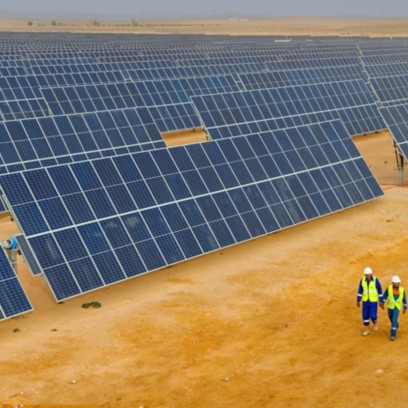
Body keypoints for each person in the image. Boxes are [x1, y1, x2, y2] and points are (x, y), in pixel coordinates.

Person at [356, 266, 384, 336]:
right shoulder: (362, 280)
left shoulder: (375, 280)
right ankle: (366, 329)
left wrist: (381, 300)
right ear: (365, 275)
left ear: (371, 274)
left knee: (373, 315)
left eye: (369, 275)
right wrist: (358, 300)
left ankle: (375, 322)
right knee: (365, 315)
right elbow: (360, 291)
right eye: (367, 275)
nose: (368, 276)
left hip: (373, 302)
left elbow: (380, 290)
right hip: (365, 301)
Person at [383, 275, 407, 341]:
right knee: (390, 317)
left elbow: (404, 299)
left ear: (399, 283)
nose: (396, 284)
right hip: (390, 307)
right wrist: (382, 302)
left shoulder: (402, 290)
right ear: (392, 283)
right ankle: (396, 325)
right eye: (395, 282)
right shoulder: (389, 288)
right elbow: (385, 295)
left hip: (397, 307)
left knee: (394, 319)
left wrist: (405, 307)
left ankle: (393, 335)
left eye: (398, 283)